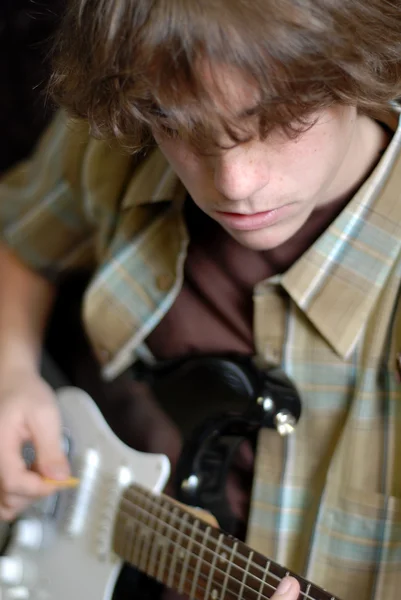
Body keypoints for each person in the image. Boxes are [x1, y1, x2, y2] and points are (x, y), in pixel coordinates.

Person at [0, 0, 401, 598]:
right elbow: (19, 240)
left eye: (279, 118)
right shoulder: (130, 115)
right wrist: (11, 373)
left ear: (361, 69)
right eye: (180, 126)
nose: (235, 183)